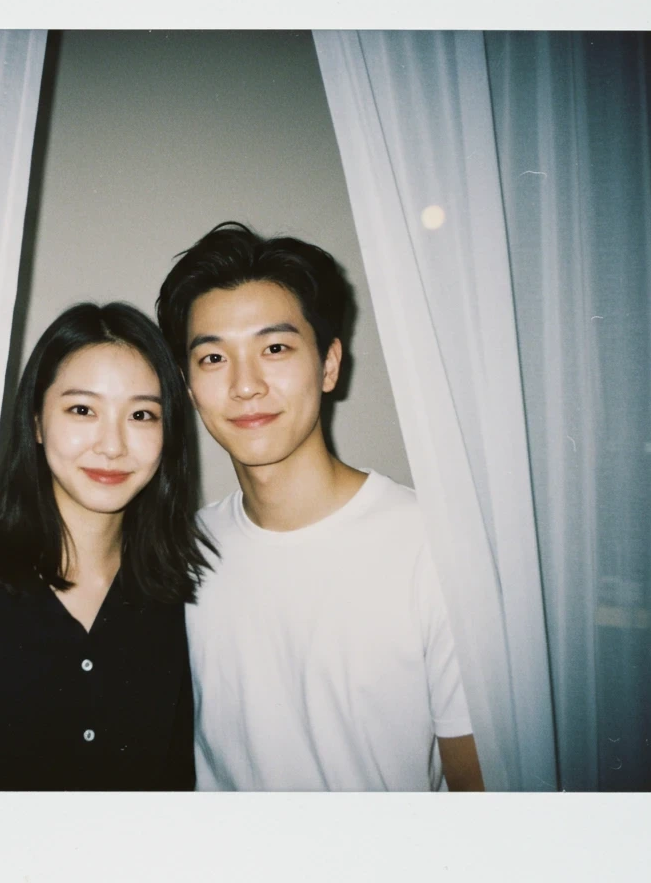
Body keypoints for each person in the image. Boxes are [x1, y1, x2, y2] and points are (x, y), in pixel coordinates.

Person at [156, 222, 485, 791]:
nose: (245, 385)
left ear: (329, 365)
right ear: (187, 385)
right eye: (213, 358)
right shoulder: (182, 552)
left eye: (276, 348)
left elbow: (480, 798)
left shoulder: (435, 546)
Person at [0, 301, 214, 791]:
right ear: (35, 421)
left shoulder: (186, 591)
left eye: (141, 414)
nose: (112, 445)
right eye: (82, 409)